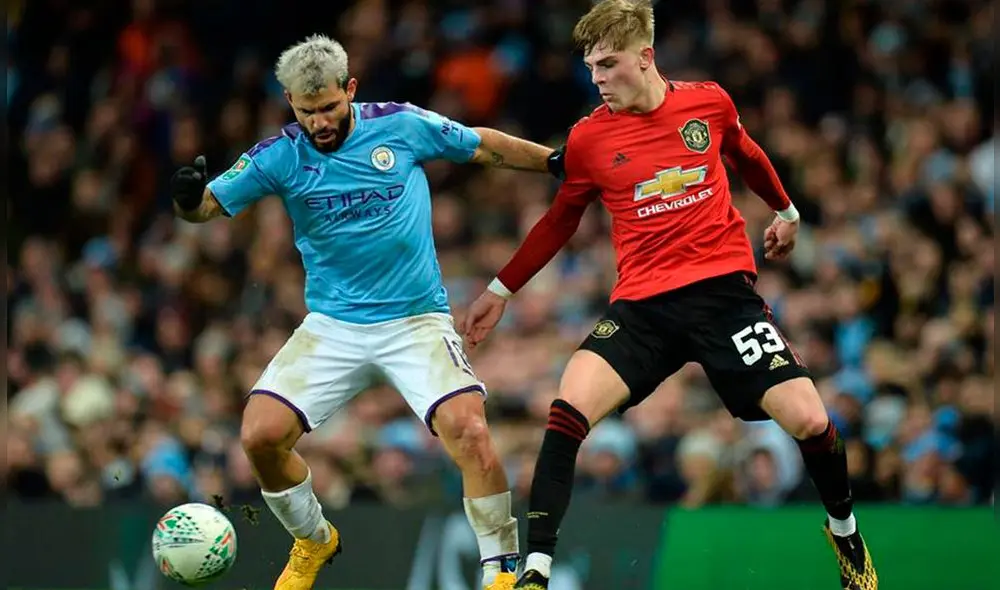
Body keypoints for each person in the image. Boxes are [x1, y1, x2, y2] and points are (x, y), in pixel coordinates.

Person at [461, 2, 879, 589]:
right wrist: (500, 289)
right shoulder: (588, 138)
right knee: (567, 409)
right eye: (590, 67)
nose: (597, 79)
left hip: (724, 300)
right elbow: (559, 220)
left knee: (811, 420)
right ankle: (536, 570)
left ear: (646, 57)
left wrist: (786, 211)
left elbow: (746, 153)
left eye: (608, 64)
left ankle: (845, 534)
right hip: (644, 308)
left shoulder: (708, 103)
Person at [169, 34, 564, 590]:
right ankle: (314, 539)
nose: (320, 122)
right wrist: (188, 199)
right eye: (308, 112)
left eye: (330, 107)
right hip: (333, 327)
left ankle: (500, 574)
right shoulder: (278, 155)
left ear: (350, 89)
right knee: (259, 436)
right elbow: (205, 207)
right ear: (290, 102)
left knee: (470, 431)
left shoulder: (400, 125)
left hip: (416, 320)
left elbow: (482, 146)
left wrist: (554, 161)